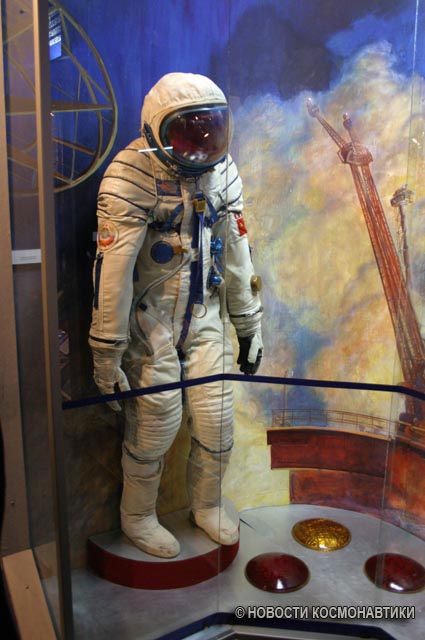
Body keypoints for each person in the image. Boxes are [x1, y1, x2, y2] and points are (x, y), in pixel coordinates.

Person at [89, 72, 263, 558]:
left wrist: (248, 326)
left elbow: (238, 254)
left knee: (217, 421)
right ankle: (137, 517)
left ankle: (206, 506)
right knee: (155, 424)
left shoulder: (222, 171)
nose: (202, 143)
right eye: (188, 132)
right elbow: (113, 272)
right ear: (157, 131)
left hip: (206, 317)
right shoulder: (131, 174)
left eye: (212, 129)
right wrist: (107, 352)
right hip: (152, 321)